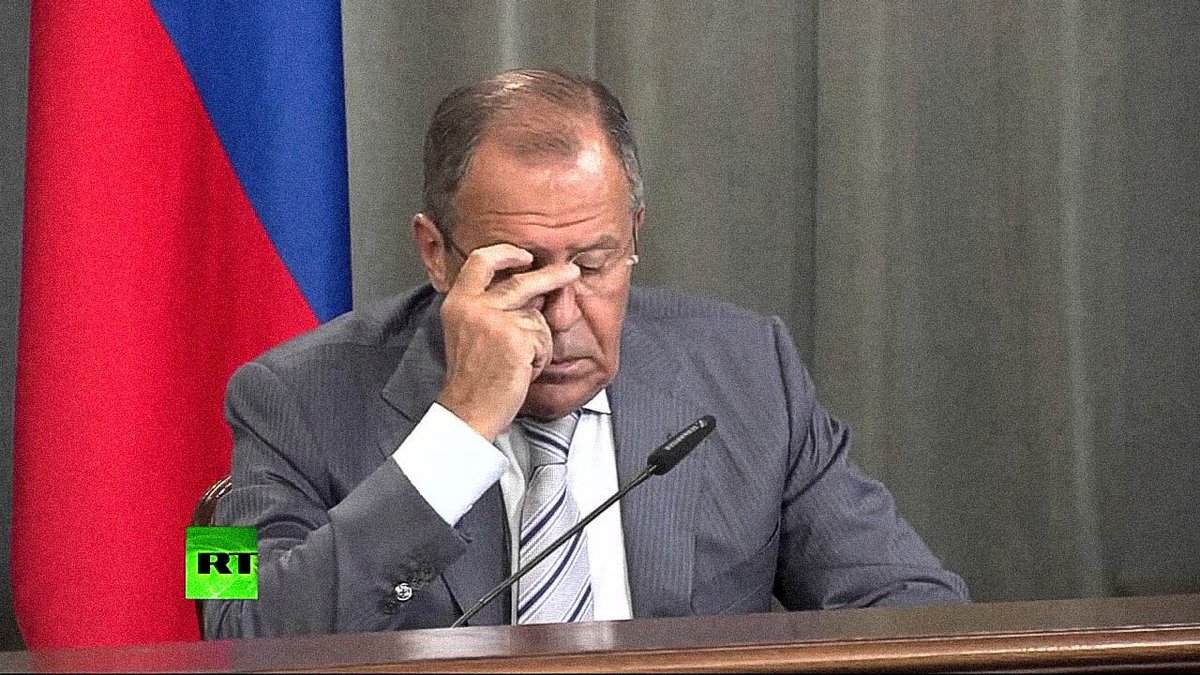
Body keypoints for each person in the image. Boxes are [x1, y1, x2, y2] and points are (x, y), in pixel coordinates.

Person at [207, 68, 968, 639]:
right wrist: (457, 432)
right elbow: (230, 625)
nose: (564, 315)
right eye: (519, 271)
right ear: (436, 253)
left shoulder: (751, 368)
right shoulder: (276, 394)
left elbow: (915, 606)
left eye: (595, 264)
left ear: (634, 234)